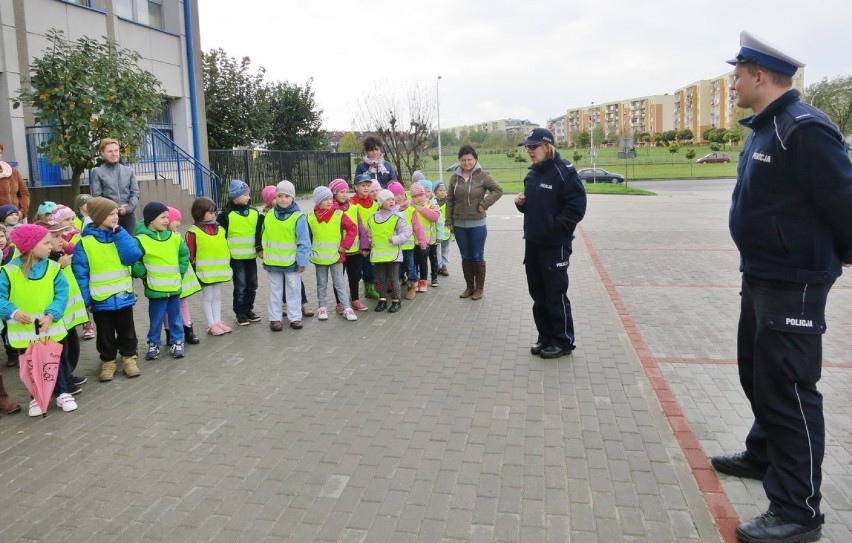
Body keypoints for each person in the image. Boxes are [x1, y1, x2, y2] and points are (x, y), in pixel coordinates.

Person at [708, 31, 852, 543]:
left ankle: (798, 511)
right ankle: (763, 452)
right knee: (758, 374)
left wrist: (832, 259)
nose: (732, 83)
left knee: (790, 391)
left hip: (795, 283)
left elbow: (843, 202)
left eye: (737, 74)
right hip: (763, 274)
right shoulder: (766, 127)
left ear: (760, 77)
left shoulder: (804, 129)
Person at [514, 128, 586, 360]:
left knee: (555, 295)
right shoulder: (533, 174)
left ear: (547, 146)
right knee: (538, 294)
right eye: (528, 147)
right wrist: (522, 204)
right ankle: (546, 337)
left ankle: (563, 341)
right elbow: (537, 207)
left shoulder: (563, 172)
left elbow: (576, 207)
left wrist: (557, 228)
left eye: (533, 147)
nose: (530, 151)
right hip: (533, 242)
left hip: (555, 244)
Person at [1, 224, 74, 415]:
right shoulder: (8, 271)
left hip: (50, 327)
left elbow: (61, 294)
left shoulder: (53, 268)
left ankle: (63, 392)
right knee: (31, 364)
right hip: (24, 332)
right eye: (46, 243)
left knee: (55, 361)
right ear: (31, 246)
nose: (51, 246)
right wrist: (13, 312)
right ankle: (36, 397)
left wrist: (52, 314)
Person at [72, 197, 143, 381]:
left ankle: (129, 358)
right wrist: (86, 301)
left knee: (127, 329)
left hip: (123, 295)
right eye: (110, 214)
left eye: (115, 213)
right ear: (98, 216)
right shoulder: (85, 243)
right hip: (100, 298)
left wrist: (119, 233)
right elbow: (81, 275)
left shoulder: (120, 235)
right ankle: (108, 361)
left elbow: (133, 255)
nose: (115, 217)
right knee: (104, 333)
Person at [132, 202, 189, 360]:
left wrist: (181, 272)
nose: (166, 220)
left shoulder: (175, 238)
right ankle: (153, 343)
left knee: (175, 317)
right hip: (155, 289)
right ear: (150, 220)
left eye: (167, 217)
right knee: (156, 319)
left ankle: (177, 341)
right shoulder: (140, 240)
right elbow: (134, 260)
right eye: (162, 217)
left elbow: (184, 255)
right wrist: (144, 274)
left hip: (174, 287)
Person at [37, 219, 88, 397]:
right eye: (56, 236)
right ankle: (62, 382)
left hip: (67, 315)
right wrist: (60, 265)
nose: (62, 240)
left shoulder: (59, 256)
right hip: (55, 317)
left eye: (62, 236)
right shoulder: (47, 262)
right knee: (60, 350)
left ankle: (68, 374)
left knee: (71, 347)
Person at [447, 145, 504, 300]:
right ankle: (469, 287)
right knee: (465, 256)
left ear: (475, 159)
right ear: (459, 161)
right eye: (463, 159)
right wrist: (449, 221)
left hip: (477, 224)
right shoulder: (454, 177)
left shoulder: (483, 175)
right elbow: (450, 200)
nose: (466, 162)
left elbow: (498, 190)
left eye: (469, 159)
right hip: (459, 224)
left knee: (477, 255)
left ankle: (479, 289)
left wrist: (485, 204)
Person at [261, 180, 311, 331]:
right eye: (280, 196)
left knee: (293, 290)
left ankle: (295, 317)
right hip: (273, 262)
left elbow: (304, 241)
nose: (283, 199)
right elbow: (264, 234)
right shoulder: (269, 215)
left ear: (293, 198)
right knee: (275, 291)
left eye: (287, 196)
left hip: (291, 263)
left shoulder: (298, 217)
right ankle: (274, 318)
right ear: (275, 197)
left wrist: (302, 262)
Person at [307, 186, 358, 322]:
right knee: (321, 284)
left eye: (330, 198)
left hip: (337, 257)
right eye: (325, 199)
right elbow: (307, 237)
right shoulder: (310, 217)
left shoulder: (338, 214)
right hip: (319, 257)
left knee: (339, 283)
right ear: (318, 202)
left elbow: (353, 228)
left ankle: (347, 308)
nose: (329, 201)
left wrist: (345, 246)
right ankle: (322, 307)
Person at [217, 179, 262, 326]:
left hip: (250, 256)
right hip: (236, 258)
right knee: (240, 286)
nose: (249, 197)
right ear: (235, 196)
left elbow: (258, 233)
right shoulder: (225, 215)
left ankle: (249, 309)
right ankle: (240, 313)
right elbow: (220, 236)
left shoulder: (254, 212)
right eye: (246, 194)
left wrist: (259, 248)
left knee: (252, 284)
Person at [186, 198, 233, 336]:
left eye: (214, 212)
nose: (213, 215)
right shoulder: (193, 231)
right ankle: (211, 323)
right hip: (204, 272)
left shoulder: (219, 229)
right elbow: (190, 253)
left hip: (218, 271)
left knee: (217, 296)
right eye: (210, 212)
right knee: (208, 297)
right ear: (200, 213)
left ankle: (217, 320)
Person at [365, 189, 411, 313]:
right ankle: (382, 300)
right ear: (380, 202)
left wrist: (396, 239)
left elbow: (407, 232)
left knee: (394, 278)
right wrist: (369, 244)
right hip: (378, 256)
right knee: (381, 279)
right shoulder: (372, 218)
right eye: (387, 199)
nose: (391, 201)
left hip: (393, 256)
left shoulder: (397, 217)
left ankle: (396, 301)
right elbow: (369, 234)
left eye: (392, 199)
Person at [330, 178, 370, 312]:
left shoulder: (353, 208)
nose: (345, 194)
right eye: (341, 191)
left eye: (347, 192)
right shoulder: (331, 209)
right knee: (338, 278)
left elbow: (360, 228)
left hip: (354, 250)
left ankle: (355, 299)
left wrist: (364, 246)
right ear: (334, 193)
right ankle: (340, 302)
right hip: (338, 251)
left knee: (355, 276)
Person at [163, 207, 201, 345]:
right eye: (176, 220)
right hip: (168, 280)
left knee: (183, 304)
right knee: (167, 307)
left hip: (181, 279)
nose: (179, 224)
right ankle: (169, 332)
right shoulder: (162, 239)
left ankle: (188, 330)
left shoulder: (177, 236)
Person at [90, 138, 140, 235]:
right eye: (110, 151)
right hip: (108, 216)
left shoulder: (129, 171)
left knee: (130, 244)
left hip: (128, 216)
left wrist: (129, 208)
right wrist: (114, 209)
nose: (114, 154)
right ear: (102, 153)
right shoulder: (97, 172)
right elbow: (97, 196)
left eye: (116, 150)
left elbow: (135, 193)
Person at [351, 174, 379, 301]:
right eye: (363, 185)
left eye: (368, 185)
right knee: (356, 269)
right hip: (356, 242)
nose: (366, 188)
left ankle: (369, 288)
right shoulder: (351, 203)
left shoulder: (374, 204)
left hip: (370, 240)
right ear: (356, 187)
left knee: (370, 266)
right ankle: (354, 293)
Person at [409, 181, 440, 292]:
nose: (419, 198)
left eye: (421, 195)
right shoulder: (410, 207)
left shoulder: (431, 205)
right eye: (415, 196)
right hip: (412, 241)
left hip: (427, 241)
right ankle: (415, 281)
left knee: (423, 262)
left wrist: (421, 210)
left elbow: (435, 216)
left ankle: (423, 282)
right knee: (414, 262)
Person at [0, 143, 31, 219]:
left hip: (16, 217)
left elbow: (24, 194)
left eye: (0, 153)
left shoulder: (12, 171)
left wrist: (22, 211)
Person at [434, 180, 451, 277]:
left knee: (445, 250)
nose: (443, 192)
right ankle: (437, 265)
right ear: (435, 192)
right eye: (440, 190)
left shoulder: (449, 203)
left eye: (444, 190)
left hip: (447, 231)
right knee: (437, 250)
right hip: (437, 232)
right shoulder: (433, 203)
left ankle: (444, 265)